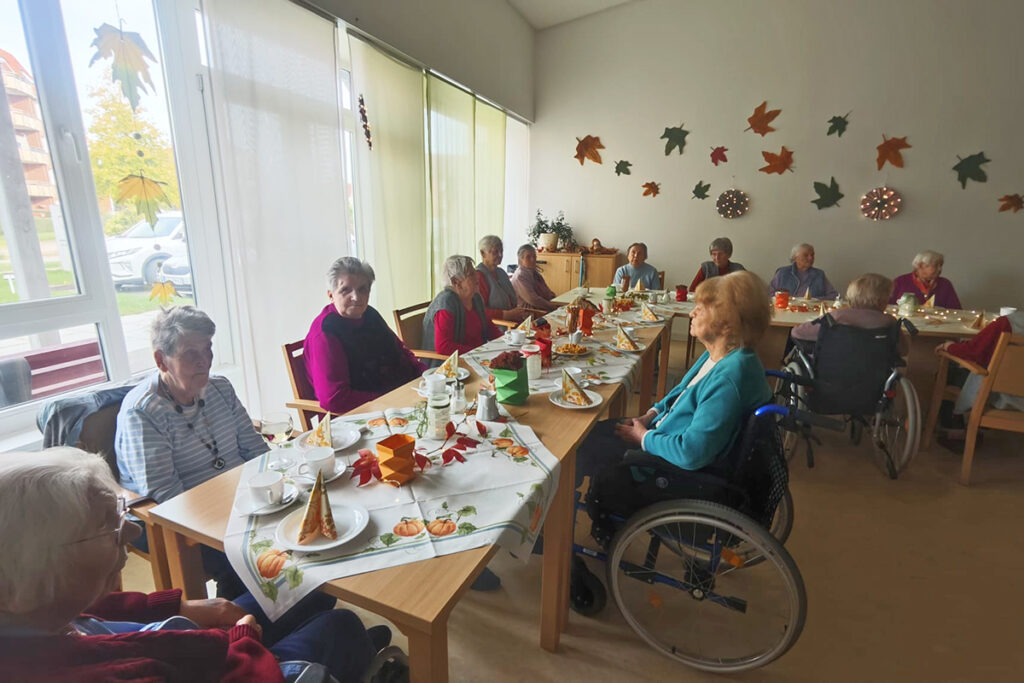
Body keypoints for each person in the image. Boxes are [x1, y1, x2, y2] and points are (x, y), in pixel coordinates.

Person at [0, 448, 394, 683]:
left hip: (185, 642)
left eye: (119, 514)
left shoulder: (36, 613)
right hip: (233, 668)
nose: (131, 532)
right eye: (105, 527)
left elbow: (91, 612)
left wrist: (179, 606)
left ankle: (346, 650)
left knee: (303, 586)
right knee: (340, 625)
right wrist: (245, 642)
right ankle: (353, 656)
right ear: (22, 580)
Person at [576, 271, 773, 499]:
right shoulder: (721, 354)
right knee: (590, 433)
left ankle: (563, 509)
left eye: (700, 309)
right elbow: (680, 394)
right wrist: (649, 416)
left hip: (663, 469)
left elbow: (690, 453)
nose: (691, 313)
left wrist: (643, 437)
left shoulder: (730, 378)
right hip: (661, 433)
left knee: (581, 448)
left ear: (727, 324)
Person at [115, 306, 269, 597]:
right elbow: (166, 495)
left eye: (208, 348)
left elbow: (255, 449)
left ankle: (298, 612)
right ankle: (236, 619)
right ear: (161, 360)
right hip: (180, 518)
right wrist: (235, 515)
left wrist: (272, 489)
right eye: (190, 353)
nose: (205, 361)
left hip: (238, 500)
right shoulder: (143, 413)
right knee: (247, 556)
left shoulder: (220, 388)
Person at [305, 257, 426, 414]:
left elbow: (400, 350)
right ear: (331, 295)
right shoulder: (325, 333)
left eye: (362, 289)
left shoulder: (369, 314)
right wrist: (390, 401)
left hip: (403, 398)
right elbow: (334, 399)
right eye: (345, 290)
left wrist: (426, 375)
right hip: (363, 415)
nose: (356, 297)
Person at [791, 273, 909, 357]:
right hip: (875, 377)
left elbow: (797, 332)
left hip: (832, 372)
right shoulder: (889, 322)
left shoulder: (837, 316)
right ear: (881, 301)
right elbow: (903, 351)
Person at [935, 310, 1024, 419]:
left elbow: (972, 351)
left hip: (1001, 397)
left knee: (948, 372)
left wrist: (948, 346)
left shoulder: (1008, 323)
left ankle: (954, 421)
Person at [423, 255, 501, 356]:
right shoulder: (446, 303)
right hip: (452, 362)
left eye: (475, 272)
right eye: (471, 274)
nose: (477, 276)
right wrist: (479, 352)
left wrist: (505, 342)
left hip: (478, 356)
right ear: (456, 282)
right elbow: (443, 346)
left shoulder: (475, 298)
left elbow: (488, 327)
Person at [475, 235, 530, 322]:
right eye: (495, 252)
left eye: (501, 251)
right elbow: (479, 311)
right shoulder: (479, 276)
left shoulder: (501, 272)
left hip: (513, 321)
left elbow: (512, 300)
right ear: (483, 253)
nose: (500, 255)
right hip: (497, 325)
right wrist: (506, 315)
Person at [890, 250, 962, 309]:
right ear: (921, 266)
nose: (940, 269)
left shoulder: (945, 284)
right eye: (936, 265)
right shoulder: (900, 281)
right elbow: (888, 307)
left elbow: (956, 310)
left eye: (941, 265)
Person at [768, 243, 838, 299]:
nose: (810, 258)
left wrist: (816, 301)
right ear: (795, 258)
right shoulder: (783, 273)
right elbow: (769, 293)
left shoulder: (819, 274)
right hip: (787, 308)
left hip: (812, 310)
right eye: (806, 255)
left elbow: (833, 295)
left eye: (812, 255)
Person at [510, 243, 559, 313]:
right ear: (520, 261)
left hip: (543, 308)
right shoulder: (520, 276)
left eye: (534, 256)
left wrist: (556, 301)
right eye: (528, 257)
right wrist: (553, 307)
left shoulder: (535, 273)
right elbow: (533, 299)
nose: (533, 259)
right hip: (530, 313)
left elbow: (547, 291)